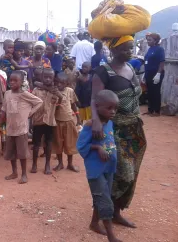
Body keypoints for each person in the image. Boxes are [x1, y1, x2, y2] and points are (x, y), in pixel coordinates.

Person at [91, 35, 146, 228]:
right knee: (117, 175)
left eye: (131, 48)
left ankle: (115, 213)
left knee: (130, 175)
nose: (129, 52)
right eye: (125, 49)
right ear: (113, 50)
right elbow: (94, 99)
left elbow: (136, 95)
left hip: (133, 129)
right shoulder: (103, 72)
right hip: (114, 130)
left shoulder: (131, 68)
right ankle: (97, 217)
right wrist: (96, 122)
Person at [77, 89, 121, 242]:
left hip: (108, 168)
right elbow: (80, 146)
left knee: (101, 196)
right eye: (109, 108)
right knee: (105, 201)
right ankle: (111, 236)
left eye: (115, 108)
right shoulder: (90, 125)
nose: (113, 112)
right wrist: (97, 148)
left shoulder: (109, 123)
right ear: (96, 106)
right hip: (96, 170)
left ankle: (94, 223)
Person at [0, 70, 43, 183]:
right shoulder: (7, 94)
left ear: (22, 82)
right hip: (10, 129)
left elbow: (39, 102)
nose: (12, 82)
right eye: (11, 80)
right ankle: (14, 172)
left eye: (15, 80)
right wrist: (1, 120)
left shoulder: (25, 94)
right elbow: (4, 108)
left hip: (21, 129)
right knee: (11, 153)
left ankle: (24, 174)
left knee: (22, 154)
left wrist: (31, 112)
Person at [31, 69, 62, 175]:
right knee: (36, 144)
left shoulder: (55, 91)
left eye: (50, 77)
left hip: (50, 121)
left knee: (48, 143)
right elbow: (32, 104)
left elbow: (60, 101)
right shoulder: (36, 90)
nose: (48, 79)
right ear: (41, 77)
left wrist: (57, 94)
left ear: (53, 78)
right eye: (45, 77)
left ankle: (47, 165)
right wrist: (31, 120)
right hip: (37, 121)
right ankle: (34, 164)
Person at [52, 73, 81, 172]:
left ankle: (70, 164)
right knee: (58, 143)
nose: (59, 85)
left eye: (62, 83)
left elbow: (73, 104)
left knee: (70, 143)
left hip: (68, 121)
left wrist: (78, 116)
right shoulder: (53, 92)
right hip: (57, 122)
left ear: (67, 83)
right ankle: (60, 163)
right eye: (57, 82)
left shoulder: (70, 91)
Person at [144, 32, 165, 116]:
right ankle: (150, 109)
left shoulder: (159, 49)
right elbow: (147, 61)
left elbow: (162, 62)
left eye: (150, 40)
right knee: (149, 91)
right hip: (148, 73)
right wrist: (144, 74)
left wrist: (158, 74)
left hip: (156, 73)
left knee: (155, 91)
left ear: (155, 41)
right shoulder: (150, 49)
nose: (148, 41)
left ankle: (156, 111)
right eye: (147, 40)